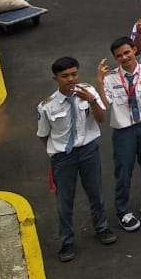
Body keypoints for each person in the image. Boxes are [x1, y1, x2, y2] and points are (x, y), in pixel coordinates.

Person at [38, 56, 117, 261]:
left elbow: (101, 118)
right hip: (63, 157)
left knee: (95, 193)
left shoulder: (88, 92)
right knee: (65, 201)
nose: (71, 79)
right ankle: (67, 242)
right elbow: (43, 135)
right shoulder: (47, 106)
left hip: (88, 150)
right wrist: (56, 153)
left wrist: (91, 100)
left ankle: (102, 228)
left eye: (74, 74)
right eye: (65, 76)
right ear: (55, 78)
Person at [96, 38, 141, 232]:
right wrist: (99, 81)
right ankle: (123, 210)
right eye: (119, 56)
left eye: (127, 52)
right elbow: (105, 105)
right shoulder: (110, 78)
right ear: (115, 58)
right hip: (124, 130)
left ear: (134, 50)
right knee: (123, 170)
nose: (124, 57)